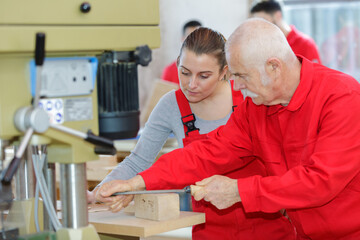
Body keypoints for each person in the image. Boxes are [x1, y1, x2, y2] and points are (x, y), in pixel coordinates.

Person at [98, 19, 360, 240]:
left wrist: (240, 191)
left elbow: (319, 181)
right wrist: (138, 181)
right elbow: (208, 152)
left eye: (241, 76)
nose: (235, 87)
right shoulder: (256, 107)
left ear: (274, 67)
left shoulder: (342, 98)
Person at [250, 0, 322, 64]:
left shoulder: (306, 44)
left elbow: (316, 76)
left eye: (263, 20)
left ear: (278, 15)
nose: (260, 26)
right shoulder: (266, 46)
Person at [161, 20, 202, 85]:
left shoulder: (214, 68)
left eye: (199, 37)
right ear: (182, 39)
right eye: (190, 37)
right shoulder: (170, 71)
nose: (195, 41)